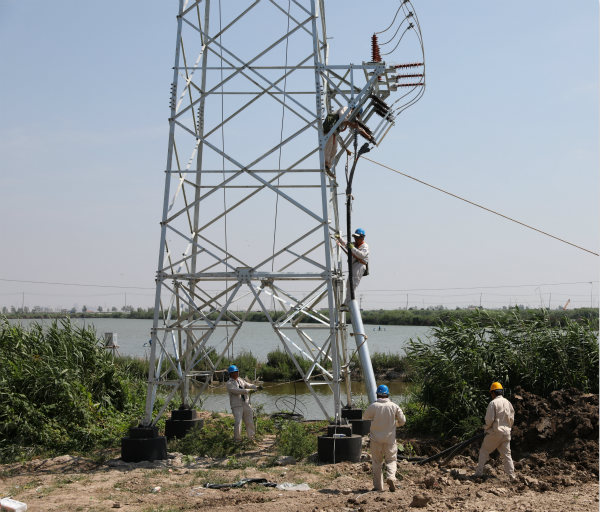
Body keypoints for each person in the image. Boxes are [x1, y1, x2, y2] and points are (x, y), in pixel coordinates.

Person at [363, 384, 406, 492]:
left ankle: (378, 487)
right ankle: (391, 477)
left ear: (377, 394)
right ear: (388, 395)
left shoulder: (373, 406)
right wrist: (396, 424)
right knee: (391, 460)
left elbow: (364, 417)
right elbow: (403, 421)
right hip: (390, 439)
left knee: (377, 462)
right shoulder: (394, 406)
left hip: (375, 440)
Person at [473, 382, 516, 481]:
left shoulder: (493, 403)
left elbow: (489, 419)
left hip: (495, 432)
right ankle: (512, 477)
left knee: (484, 451)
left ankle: (478, 473)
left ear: (493, 393)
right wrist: (507, 428)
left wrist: (486, 428)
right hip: (506, 433)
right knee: (507, 455)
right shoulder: (508, 403)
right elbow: (511, 418)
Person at [323, 106, 375, 175]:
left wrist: (368, 137)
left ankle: (328, 167)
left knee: (334, 149)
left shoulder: (350, 116)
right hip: (330, 129)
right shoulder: (346, 109)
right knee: (329, 147)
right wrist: (351, 124)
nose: (356, 116)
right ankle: (325, 164)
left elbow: (359, 128)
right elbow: (342, 117)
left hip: (334, 132)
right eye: (357, 114)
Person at [226, 364, 262, 442]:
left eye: (237, 371)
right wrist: (248, 391)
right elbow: (237, 391)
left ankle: (251, 438)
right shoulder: (229, 383)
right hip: (237, 405)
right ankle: (237, 440)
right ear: (231, 374)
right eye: (235, 372)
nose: (237, 373)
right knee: (238, 422)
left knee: (249, 420)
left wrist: (256, 387)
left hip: (246, 403)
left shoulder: (240, 380)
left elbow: (248, 385)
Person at [335, 228, 369, 309]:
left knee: (353, 284)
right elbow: (345, 243)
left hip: (360, 265)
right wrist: (339, 238)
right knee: (349, 284)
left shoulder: (365, 246)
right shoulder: (354, 244)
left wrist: (352, 248)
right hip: (353, 265)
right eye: (355, 237)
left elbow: (361, 255)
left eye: (358, 237)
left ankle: (347, 303)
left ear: (362, 237)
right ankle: (347, 302)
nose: (356, 239)